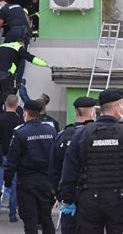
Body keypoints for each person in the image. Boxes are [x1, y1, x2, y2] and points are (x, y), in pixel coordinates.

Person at [60, 89, 123, 233]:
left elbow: (70, 169)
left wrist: (68, 199)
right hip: (119, 200)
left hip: (89, 200)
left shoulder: (81, 133)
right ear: (117, 107)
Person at [4, 99, 56, 234]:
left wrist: (8, 182)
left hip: (27, 181)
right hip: (47, 181)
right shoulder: (51, 130)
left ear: (26, 113)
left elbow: (12, 161)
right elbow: (57, 157)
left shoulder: (21, 132)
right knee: (46, 218)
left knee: (30, 219)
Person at [48, 96, 96, 234]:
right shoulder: (97, 135)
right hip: (93, 195)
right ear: (93, 113)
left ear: (75, 113)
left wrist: (60, 195)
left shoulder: (62, 136)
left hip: (68, 194)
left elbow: (53, 169)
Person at [0, 40, 49, 115]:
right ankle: (5, 113)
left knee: (4, 92)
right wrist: (44, 64)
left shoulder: (1, 46)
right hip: (6, 77)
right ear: (21, 44)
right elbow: (30, 58)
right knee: (10, 98)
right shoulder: (19, 48)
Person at [0, 95, 24, 223]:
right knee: (14, 188)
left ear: (5, 104)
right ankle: (12, 215)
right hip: (14, 159)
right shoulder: (20, 122)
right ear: (16, 105)